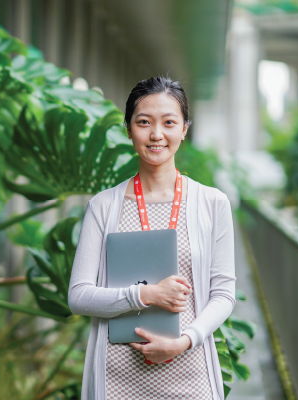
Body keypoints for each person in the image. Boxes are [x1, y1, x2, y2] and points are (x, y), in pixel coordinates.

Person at [68, 76, 236, 400]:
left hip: (190, 372)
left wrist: (185, 339)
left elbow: (224, 294)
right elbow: (79, 296)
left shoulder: (213, 204)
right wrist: (146, 295)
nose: (156, 134)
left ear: (184, 129)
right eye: (144, 122)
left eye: (169, 122)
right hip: (118, 377)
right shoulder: (103, 207)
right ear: (129, 129)